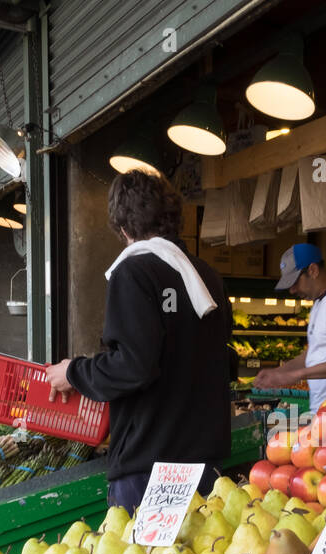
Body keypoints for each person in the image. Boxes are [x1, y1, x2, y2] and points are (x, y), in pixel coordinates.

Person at [45, 170, 232, 513]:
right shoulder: (208, 277)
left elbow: (134, 366)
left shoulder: (133, 272)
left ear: (124, 228)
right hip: (207, 467)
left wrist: (73, 372)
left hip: (151, 469)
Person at [252, 243, 326, 413]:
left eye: (295, 282)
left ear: (313, 270)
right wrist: (280, 372)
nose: (292, 290)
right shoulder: (320, 302)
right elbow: (314, 354)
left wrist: (297, 375)